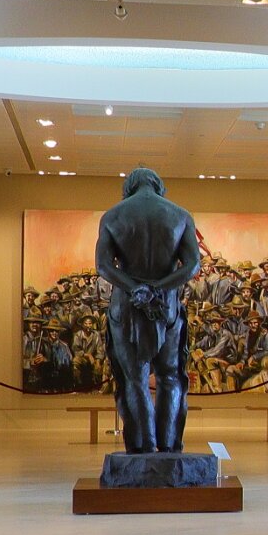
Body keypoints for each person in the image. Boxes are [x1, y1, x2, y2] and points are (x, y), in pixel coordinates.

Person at [95, 168, 203, 454]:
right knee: (170, 376)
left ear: (129, 187)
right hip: (167, 308)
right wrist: (158, 288)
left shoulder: (113, 216)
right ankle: (167, 448)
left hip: (127, 307)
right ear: (158, 186)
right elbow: (193, 265)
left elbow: (103, 265)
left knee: (134, 379)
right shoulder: (180, 215)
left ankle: (143, 449)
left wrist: (136, 289)